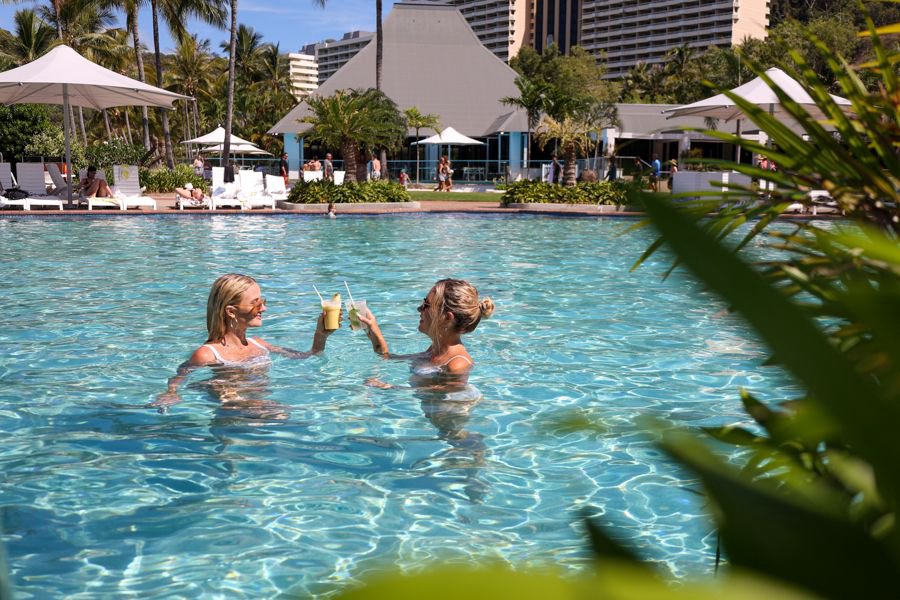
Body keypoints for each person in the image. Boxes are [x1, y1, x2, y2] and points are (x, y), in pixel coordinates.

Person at [153, 273, 339, 412]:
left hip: (263, 408)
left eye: (263, 301)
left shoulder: (259, 344)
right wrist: (171, 392)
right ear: (231, 311)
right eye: (256, 304)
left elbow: (307, 357)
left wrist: (320, 335)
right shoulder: (208, 354)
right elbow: (181, 373)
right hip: (233, 417)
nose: (263, 308)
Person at [359, 278, 494, 378]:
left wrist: (389, 388)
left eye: (426, 305)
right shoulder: (434, 350)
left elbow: (442, 396)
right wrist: (373, 330)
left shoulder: (457, 364)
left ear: (447, 318)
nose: (419, 309)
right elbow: (388, 358)